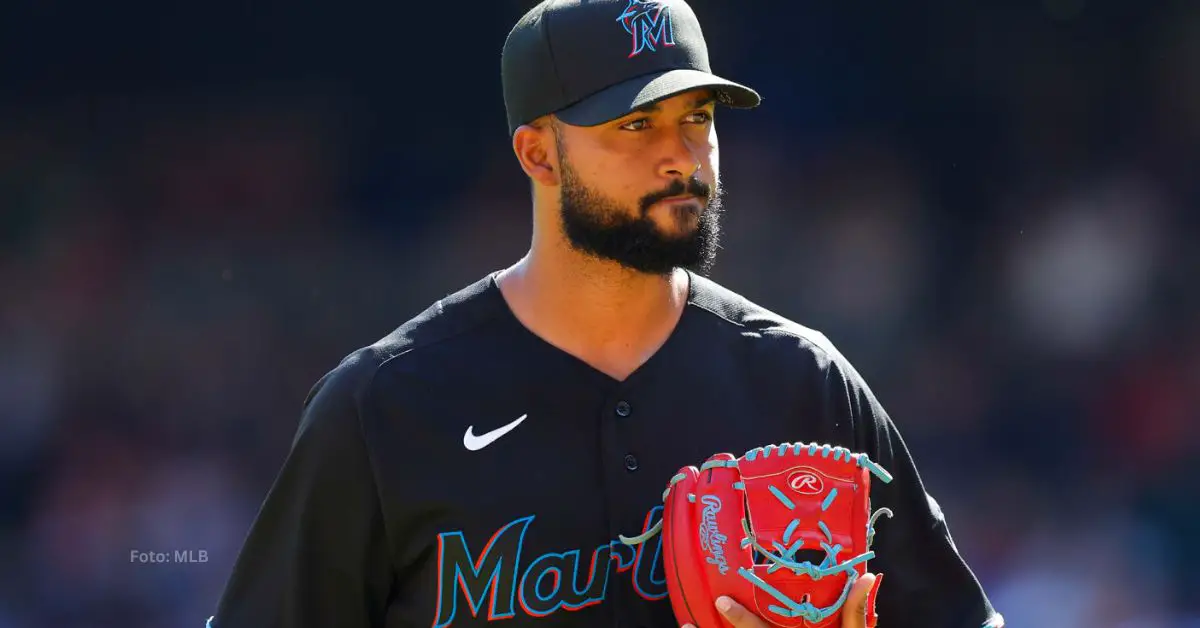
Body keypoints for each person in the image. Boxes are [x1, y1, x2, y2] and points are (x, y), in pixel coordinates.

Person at [206, 0, 1005, 626]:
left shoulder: (803, 383)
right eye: (635, 125)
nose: (680, 155)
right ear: (538, 153)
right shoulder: (384, 408)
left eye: (698, 118)